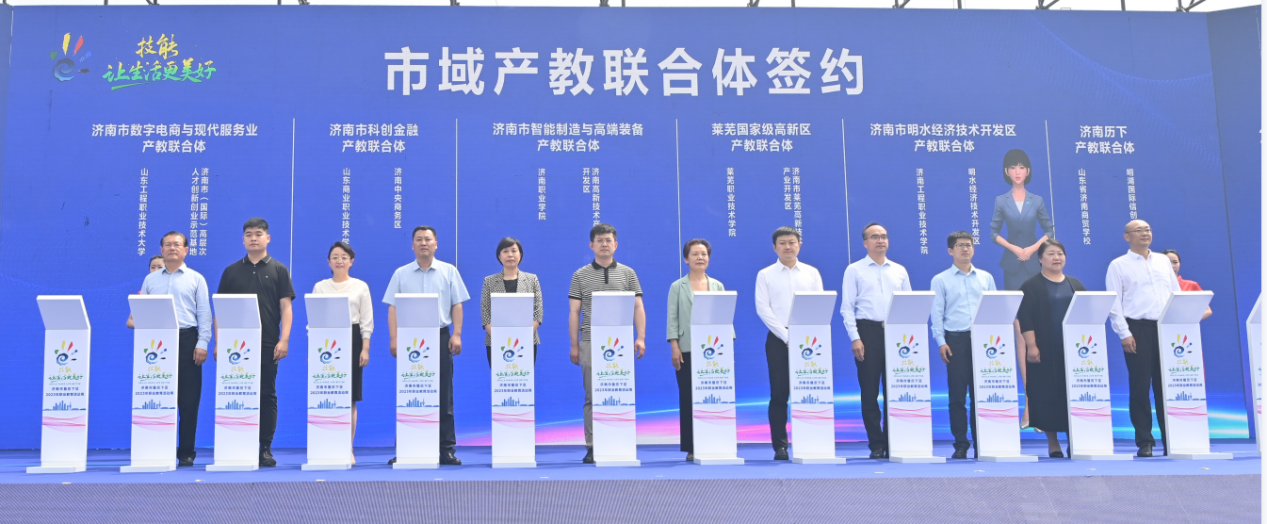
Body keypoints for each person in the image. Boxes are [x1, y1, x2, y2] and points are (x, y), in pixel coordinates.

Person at [384, 226, 470, 466]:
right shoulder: (401, 274)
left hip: (439, 337)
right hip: (409, 339)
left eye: (428, 239)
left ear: (436, 244)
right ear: (412, 245)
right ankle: (406, 448)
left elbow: (457, 304)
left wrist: (457, 334)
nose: (423, 243)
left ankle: (446, 449)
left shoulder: (449, 271)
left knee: (444, 393)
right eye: (419, 239)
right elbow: (392, 308)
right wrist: (394, 338)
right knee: (409, 392)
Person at [214, 218, 295, 468]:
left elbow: (286, 307)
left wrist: (284, 339)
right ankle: (236, 444)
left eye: (258, 234)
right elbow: (220, 309)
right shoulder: (231, 271)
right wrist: (218, 343)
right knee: (235, 391)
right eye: (248, 234)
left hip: (268, 343)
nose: (253, 238)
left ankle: (265, 448)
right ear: (243, 239)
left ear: (267, 238)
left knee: (266, 394)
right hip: (235, 346)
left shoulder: (279, 269)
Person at [568, 223, 646, 464]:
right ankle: (592, 446)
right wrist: (574, 344)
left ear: (616, 245)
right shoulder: (580, 275)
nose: (604, 244)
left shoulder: (628, 273)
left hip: (621, 343)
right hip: (591, 340)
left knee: (619, 392)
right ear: (591, 245)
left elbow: (638, 307)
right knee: (592, 395)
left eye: (608, 240)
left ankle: (620, 442)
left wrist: (640, 337)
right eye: (599, 240)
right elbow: (574, 312)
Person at [132, 232, 212, 467]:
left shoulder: (196, 279)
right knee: (157, 395)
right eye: (167, 245)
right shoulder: (150, 280)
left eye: (177, 244)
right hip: (157, 342)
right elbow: (141, 311)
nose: (172, 248)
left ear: (186, 250)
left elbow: (204, 314)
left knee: (188, 400)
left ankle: (186, 452)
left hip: (187, 339)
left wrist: (202, 343)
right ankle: (157, 447)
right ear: (161, 250)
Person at [989, 149, 1054, 430]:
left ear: (1028, 171)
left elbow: (1049, 229)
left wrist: (1034, 248)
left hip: (1034, 267)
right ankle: (1029, 404)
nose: (1017, 172)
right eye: (1013, 167)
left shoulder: (1036, 200)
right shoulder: (1000, 200)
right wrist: (1015, 248)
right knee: (1019, 333)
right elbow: (993, 233)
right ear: (1006, 172)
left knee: (1037, 332)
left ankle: (1041, 406)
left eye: (1022, 167)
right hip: (1012, 268)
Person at [1106, 219, 1181, 457]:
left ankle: (1172, 440)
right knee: (1140, 386)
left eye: (1147, 229)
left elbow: (1175, 293)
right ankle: (1145, 441)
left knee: (1166, 386)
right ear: (1127, 237)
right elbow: (1114, 302)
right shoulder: (1118, 265)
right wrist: (1124, 333)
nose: (1144, 233)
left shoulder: (1162, 261)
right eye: (1138, 230)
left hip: (1166, 328)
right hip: (1137, 329)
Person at [841, 223, 911, 459]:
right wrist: (855, 338)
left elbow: (909, 304)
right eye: (874, 237)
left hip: (896, 334)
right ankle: (877, 444)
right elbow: (847, 308)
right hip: (867, 332)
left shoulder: (899, 270)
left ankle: (895, 442)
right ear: (865, 243)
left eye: (883, 236)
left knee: (896, 390)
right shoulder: (854, 270)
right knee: (869, 392)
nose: (880, 240)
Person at [755, 226, 823, 461]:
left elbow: (819, 304)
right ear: (775, 247)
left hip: (809, 341)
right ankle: (780, 446)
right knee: (779, 394)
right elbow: (763, 309)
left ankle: (812, 441)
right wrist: (786, 336)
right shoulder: (765, 275)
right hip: (778, 340)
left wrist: (804, 336)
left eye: (792, 242)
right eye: (782, 243)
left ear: (799, 245)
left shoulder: (812, 273)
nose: (788, 246)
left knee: (810, 391)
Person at [930, 231, 996, 459]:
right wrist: (941, 342)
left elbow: (995, 308)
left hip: (983, 341)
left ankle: (983, 443)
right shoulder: (940, 280)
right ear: (950, 251)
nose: (965, 249)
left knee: (982, 394)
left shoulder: (986, 278)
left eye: (969, 245)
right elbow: (937, 314)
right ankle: (961, 444)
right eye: (960, 245)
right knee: (957, 396)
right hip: (955, 340)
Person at [1018, 239, 1086, 458]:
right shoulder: (1031, 285)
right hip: (1044, 350)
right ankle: (1053, 442)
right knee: (1047, 395)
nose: (1057, 257)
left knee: (1072, 394)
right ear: (1040, 259)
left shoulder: (1075, 284)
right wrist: (1031, 346)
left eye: (1060, 253)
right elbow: (1025, 318)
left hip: (1074, 351)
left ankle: (1076, 440)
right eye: (1051, 254)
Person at [311, 241, 373, 465]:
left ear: (351, 261)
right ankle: (325, 446)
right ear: (328, 262)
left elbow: (366, 321)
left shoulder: (360, 286)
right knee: (325, 394)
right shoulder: (320, 287)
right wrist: (313, 349)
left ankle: (347, 447)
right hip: (325, 342)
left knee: (349, 397)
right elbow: (314, 321)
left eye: (344, 257)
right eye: (335, 257)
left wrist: (365, 348)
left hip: (352, 340)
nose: (339, 260)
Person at [667, 238, 725, 462]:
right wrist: (674, 346)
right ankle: (692, 446)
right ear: (686, 259)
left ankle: (714, 442)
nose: (700, 257)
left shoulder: (717, 286)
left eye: (704, 254)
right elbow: (672, 318)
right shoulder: (677, 286)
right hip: (687, 348)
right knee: (688, 397)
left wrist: (727, 346)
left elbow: (724, 318)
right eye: (695, 254)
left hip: (714, 351)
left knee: (713, 396)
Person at [480, 237, 542, 364]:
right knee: (501, 376)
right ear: (499, 256)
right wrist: (499, 337)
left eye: (514, 251)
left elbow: (537, 312)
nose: (510, 255)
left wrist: (524, 336)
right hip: (496, 341)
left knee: (523, 375)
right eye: (505, 251)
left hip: (526, 341)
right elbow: (485, 313)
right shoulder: (489, 281)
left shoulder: (532, 279)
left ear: (520, 255)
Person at [1163, 250, 1213, 320]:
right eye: (1168, 262)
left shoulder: (1191, 285)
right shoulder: (1155, 286)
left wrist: (1187, 320)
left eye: (1175, 262)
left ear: (1179, 264)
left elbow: (1207, 310)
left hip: (1186, 326)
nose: (1172, 266)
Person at [127, 255, 170, 329]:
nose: (156, 270)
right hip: (151, 334)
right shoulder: (143, 293)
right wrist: (149, 325)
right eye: (153, 267)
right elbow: (130, 322)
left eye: (160, 267)